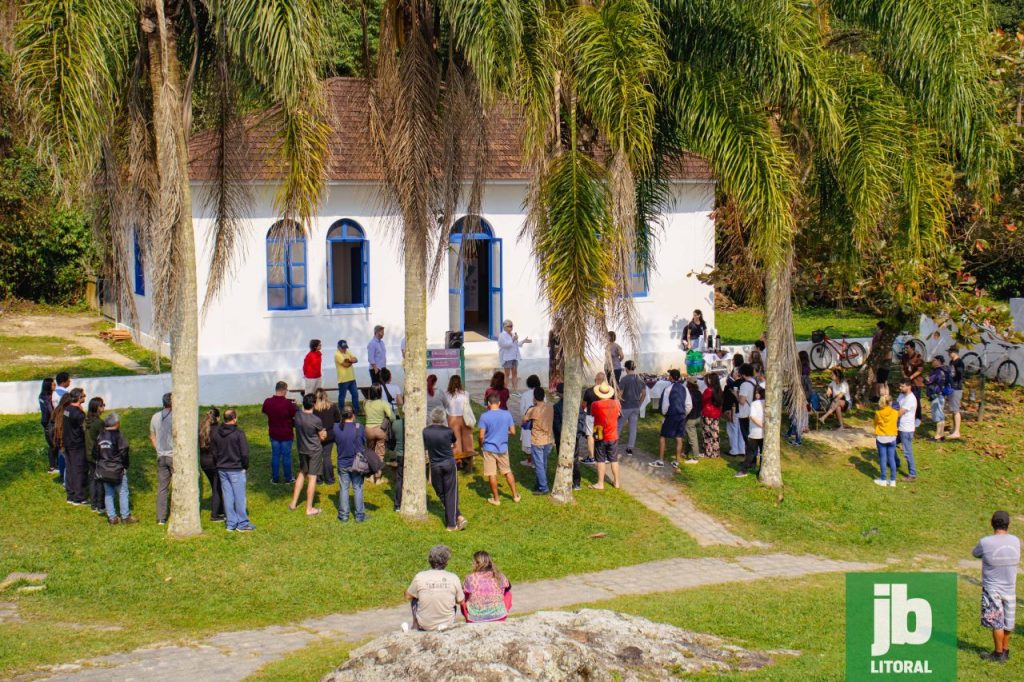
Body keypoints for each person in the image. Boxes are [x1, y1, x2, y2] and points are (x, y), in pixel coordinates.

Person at [972, 511, 1020, 663]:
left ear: (991, 523)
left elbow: (975, 553)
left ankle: (998, 654)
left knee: (997, 622)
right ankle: (1005, 650)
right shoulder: (1016, 541)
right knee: (1008, 621)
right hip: (1010, 588)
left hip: (992, 589)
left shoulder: (986, 542)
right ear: (1008, 524)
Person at [424, 408, 467, 531]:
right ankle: (455, 519)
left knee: (441, 491)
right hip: (448, 463)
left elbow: (426, 445)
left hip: (435, 465)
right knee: (449, 493)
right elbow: (453, 441)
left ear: (432, 418)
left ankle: (453, 522)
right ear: (443, 418)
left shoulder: (426, 431)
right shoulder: (448, 431)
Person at [212, 409, 254, 532]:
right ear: (234, 418)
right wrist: (245, 466)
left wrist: (218, 464)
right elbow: (244, 453)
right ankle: (242, 523)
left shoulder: (216, 433)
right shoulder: (239, 433)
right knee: (240, 497)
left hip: (222, 469)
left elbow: (214, 452)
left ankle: (231, 523)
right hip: (236, 468)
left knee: (228, 496)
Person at [405, 545, 465, 632]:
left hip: (424, 625)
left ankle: (415, 624)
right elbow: (461, 601)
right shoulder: (453, 578)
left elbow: (408, 596)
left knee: (414, 598)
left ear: (430, 560)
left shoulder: (420, 577)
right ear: (446, 562)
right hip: (446, 624)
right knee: (453, 604)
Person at [94, 413, 136, 525]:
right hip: (117, 469)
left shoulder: (100, 436)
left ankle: (112, 517)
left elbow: (96, 453)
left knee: (108, 493)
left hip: (104, 469)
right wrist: (125, 465)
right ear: (117, 424)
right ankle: (125, 516)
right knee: (123, 492)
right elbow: (124, 452)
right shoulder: (118, 435)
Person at [479, 393, 520, 505]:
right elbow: (513, 432)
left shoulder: (484, 416)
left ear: (488, 403)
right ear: (499, 403)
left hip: (489, 448)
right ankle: (515, 495)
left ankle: (496, 499)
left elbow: (481, 435)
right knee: (507, 471)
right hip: (502, 448)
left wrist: (480, 445)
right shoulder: (507, 414)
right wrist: (504, 432)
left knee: (492, 474)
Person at [290, 393, 326, 516]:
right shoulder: (316, 420)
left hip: (302, 449)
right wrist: (324, 433)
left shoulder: (298, 415)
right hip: (314, 451)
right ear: (314, 404)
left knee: (302, 473)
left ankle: (293, 503)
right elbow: (322, 436)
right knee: (312, 477)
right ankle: (309, 508)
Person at [334, 407, 368, 522]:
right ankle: (359, 515)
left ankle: (343, 515)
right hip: (357, 464)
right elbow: (364, 443)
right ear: (353, 415)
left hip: (342, 462)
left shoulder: (336, 428)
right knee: (358, 488)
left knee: (344, 488)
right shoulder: (359, 427)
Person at [262, 381, 297, 484]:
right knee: (286, 456)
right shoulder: (288, 403)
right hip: (286, 434)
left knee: (275, 456)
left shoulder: (268, 402)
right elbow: (294, 415)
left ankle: (275, 478)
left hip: (274, 433)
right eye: (286, 390)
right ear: (283, 390)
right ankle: (288, 478)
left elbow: (265, 412)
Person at [57, 388, 88, 505]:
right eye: (84, 396)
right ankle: (78, 497)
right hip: (77, 445)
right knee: (78, 470)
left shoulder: (67, 409)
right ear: (79, 398)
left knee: (70, 468)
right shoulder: (78, 414)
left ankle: (70, 495)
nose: (85, 397)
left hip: (68, 443)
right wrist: (83, 412)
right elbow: (84, 428)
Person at [462, 551, 512, 623]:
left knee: (464, 595)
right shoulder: (499, 576)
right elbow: (508, 587)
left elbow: (463, 592)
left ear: (477, 563)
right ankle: (500, 611)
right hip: (499, 616)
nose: (471, 564)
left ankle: (470, 615)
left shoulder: (470, 578)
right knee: (508, 594)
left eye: (473, 562)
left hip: (474, 618)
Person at [590, 382, 622, 488]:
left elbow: (592, 415)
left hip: (600, 433)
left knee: (600, 459)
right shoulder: (616, 403)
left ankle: (600, 483)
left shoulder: (595, 404)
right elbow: (618, 414)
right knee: (614, 459)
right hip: (613, 434)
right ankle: (617, 482)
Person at [523, 387, 554, 495]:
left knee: (539, 465)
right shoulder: (549, 407)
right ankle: (539, 483)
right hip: (548, 439)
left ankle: (543, 487)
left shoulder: (533, 410)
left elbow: (524, 420)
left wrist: (532, 405)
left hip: (537, 441)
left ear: (534, 397)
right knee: (543, 463)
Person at [654, 369, 686, 468]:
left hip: (671, 414)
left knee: (663, 436)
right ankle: (677, 461)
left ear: (671, 377)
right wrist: (684, 413)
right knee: (679, 437)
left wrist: (664, 414)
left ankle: (661, 460)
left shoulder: (668, 389)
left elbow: (664, 405)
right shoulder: (684, 388)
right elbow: (688, 404)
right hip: (681, 415)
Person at [198, 408, 225, 522]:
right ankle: (215, 515)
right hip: (215, 462)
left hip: (204, 462)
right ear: (218, 418)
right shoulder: (219, 430)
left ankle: (221, 510)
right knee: (217, 488)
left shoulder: (202, 429)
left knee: (216, 487)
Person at [735, 385, 765, 477]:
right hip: (764, 433)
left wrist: (762, 426)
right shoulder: (768, 403)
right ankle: (760, 470)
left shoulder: (755, 403)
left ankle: (743, 470)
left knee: (751, 452)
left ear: (758, 394)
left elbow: (752, 417)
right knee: (762, 453)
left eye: (756, 393)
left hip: (755, 432)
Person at [313, 389, 342, 485]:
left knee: (317, 457)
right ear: (326, 395)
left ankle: (318, 479)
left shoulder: (314, 408)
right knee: (326, 456)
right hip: (329, 434)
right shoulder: (332, 406)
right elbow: (338, 419)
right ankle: (329, 479)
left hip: (317, 435)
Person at [617, 361, 646, 456]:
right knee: (633, 428)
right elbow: (644, 394)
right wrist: (639, 404)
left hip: (625, 407)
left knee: (618, 426)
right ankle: (630, 448)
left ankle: (612, 446)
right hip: (635, 407)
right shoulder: (640, 379)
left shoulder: (624, 379)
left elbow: (620, 394)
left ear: (626, 368)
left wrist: (618, 403)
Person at [84, 396, 107, 513]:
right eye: (102, 405)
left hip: (88, 453)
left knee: (92, 478)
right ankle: (100, 505)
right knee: (100, 480)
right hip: (96, 454)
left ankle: (93, 504)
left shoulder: (86, 420)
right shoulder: (99, 423)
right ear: (97, 408)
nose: (104, 407)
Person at [443, 375, 475, 456]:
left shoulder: (446, 394)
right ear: (460, 383)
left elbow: (445, 406)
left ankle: (458, 459)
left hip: (452, 418)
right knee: (467, 439)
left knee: (456, 440)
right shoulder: (466, 393)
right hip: (465, 418)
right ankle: (469, 458)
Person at [497, 320, 531, 391]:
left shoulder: (512, 334)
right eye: (509, 326)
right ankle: (505, 391)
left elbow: (516, 345)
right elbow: (504, 345)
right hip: (507, 357)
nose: (511, 328)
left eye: (512, 326)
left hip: (514, 357)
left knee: (515, 374)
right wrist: (513, 339)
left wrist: (523, 341)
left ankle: (515, 390)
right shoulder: (502, 335)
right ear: (504, 327)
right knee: (507, 375)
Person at [516, 375, 542, 466]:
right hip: (539, 421)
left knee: (528, 442)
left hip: (528, 421)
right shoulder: (542, 394)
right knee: (536, 441)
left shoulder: (525, 395)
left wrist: (524, 418)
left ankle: (530, 461)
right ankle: (535, 461)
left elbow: (522, 409)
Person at [363, 385, 394, 460]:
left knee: (370, 451)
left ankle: (370, 468)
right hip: (380, 430)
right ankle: (378, 470)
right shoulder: (383, 403)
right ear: (380, 392)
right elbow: (392, 417)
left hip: (368, 430)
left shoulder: (366, 403)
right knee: (380, 452)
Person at [896, 378, 918, 481]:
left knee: (907, 451)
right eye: (900, 386)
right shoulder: (901, 395)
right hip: (899, 427)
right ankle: (895, 462)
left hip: (906, 429)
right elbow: (895, 406)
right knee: (890, 443)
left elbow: (900, 412)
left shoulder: (911, 398)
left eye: (902, 386)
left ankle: (912, 474)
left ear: (909, 386)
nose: (900, 388)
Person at [873, 397, 899, 487]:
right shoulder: (895, 413)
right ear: (890, 402)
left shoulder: (878, 413)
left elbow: (875, 423)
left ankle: (883, 479)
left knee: (883, 459)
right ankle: (893, 480)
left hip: (881, 437)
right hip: (892, 437)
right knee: (891, 459)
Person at [925, 355, 949, 441]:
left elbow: (928, 380)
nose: (932, 362)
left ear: (938, 361)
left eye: (934, 360)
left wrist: (926, 378)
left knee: (938, 415)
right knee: (941, 415)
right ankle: (941, 434)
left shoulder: (938, 372)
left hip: (936, 395)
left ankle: (938, 436)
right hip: (941, 394)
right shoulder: (945, 370)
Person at [38, 378, 59, 473]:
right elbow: (50, 411)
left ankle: (55, 465)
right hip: (49, 423)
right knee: (53, 444)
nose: (55, 386)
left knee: (54, 444)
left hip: (48, 422)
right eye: (53, 385)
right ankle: (52, 467)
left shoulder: (43, 396)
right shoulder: (46, 397)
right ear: (48, 386)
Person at [334, 339, 360, 414]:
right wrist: (351, 361)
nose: (345, 349)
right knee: (342, 397)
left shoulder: (347, 352)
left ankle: (356, 410)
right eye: (343, 348)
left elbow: (356, 359)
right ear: (338, 347)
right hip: (343, 380)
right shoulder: (337, 354)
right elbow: (345, 365)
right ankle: (341, 411)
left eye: (345, 347)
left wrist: (349, 361)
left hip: (352, 378)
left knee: (355, 394)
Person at [723, 367, 744, 456]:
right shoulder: (745, 384)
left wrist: (726, 411)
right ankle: (742, 449)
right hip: (744, 410)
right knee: (740, 431)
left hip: (733, 409)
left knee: (732, 430)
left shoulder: (731, 386)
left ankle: (734, 450)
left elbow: (727, 400)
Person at [701, 373, 723, 458]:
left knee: (707, 433)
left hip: (708, 413)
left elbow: (703, 401)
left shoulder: (708, 390)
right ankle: (716, 451)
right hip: (716, 413)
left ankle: (708, 452)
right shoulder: (719, 389)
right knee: (715, 433)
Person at [901, 347, 925, 422]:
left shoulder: (918, 356)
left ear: (912, 348)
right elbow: (901, 366)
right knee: (905, 399)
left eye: (907, 347)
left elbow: (920, 370)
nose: (906, 349)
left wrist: (911, 377)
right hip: (907, 382)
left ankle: (918, 417)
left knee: (916, 400)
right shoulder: (904, 356)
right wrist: (904, 375)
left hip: (916, 382)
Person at [682, 376, 703, 463]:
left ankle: (695, 457)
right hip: (698, 417)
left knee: (692, 438)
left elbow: (687, 406)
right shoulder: (699, 392)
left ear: (688, 383)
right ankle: (686, 452)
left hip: (691, 418)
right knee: (691, 435)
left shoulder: (688, 393)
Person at [735, 364, 757, 444]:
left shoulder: (744, 385)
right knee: (753, 437)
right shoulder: (754, 382)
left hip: (745, 413)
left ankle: (750, 455)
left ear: (743, 374)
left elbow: (742, 401)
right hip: (754, 412)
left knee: (747, 438)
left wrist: (736, 394)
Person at [947, 347, 965, 440]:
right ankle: (954, 429)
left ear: (954, 352)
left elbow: (960, 375)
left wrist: (954, 382)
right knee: (953, 410)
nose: (948, 354)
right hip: (951, 387)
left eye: (950, 352)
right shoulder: (951, 362)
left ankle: (957, 431)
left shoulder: (959, 363)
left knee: (956, 410)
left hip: (956, 388)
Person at [392, 407, 406, 512]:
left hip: (400, 455)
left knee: (399, 479)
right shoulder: (416, 425)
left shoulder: (395, 424)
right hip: (411, 455)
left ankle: (397, 504)